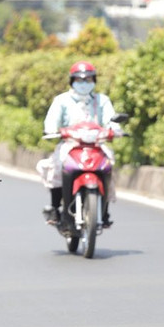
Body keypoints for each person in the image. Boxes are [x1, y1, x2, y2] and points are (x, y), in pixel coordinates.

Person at [39, 60, 123, 228]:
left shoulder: (102, 100)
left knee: (109, 165)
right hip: (70, 144)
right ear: (72, 81)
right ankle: (55, 208)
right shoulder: (61, 100)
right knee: (56, 167)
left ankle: (104, 210)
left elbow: (111, 120)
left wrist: (115, 129)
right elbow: (51, 121)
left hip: (96, 145)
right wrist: (51, 130)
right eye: (79, 80)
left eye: (88, 80)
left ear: (94, 81)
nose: (84, 84)